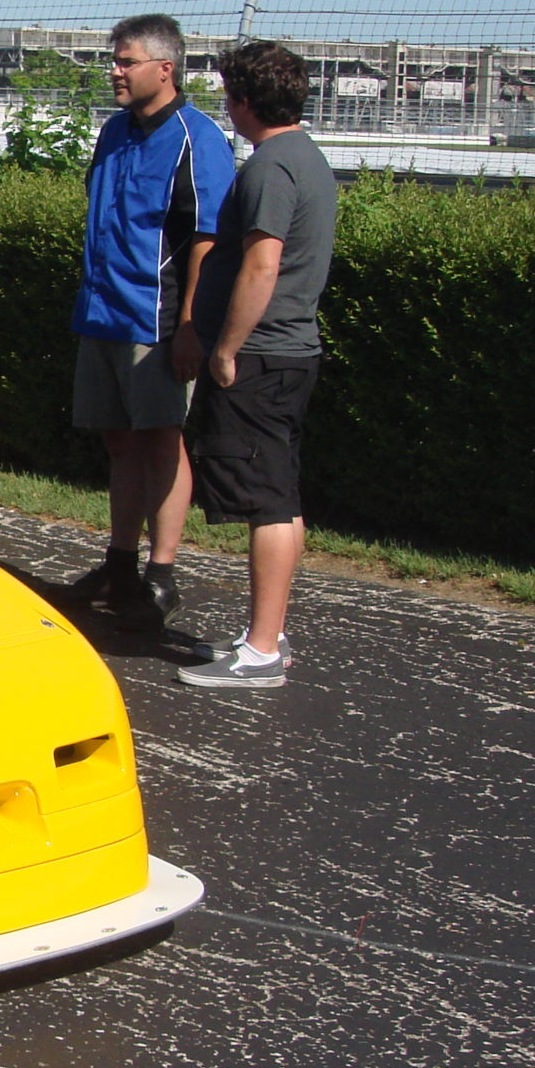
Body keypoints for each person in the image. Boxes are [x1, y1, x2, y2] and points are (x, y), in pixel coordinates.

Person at [65, 14, 236, 627]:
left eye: (125, 60)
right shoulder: (113, 132)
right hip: (102, 312)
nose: (114, 69)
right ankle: (119, 562)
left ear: (165, 69)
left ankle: (161, 575)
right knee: (119, 440)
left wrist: (190, 325)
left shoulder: (198, 138)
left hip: (156, 320)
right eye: (113, 59)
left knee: (162, 438)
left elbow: (208, 239)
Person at [178, 41, 337, 689]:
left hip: (264, 354)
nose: (226, 105)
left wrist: (224, 347)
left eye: (227, 94)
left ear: (243, 99)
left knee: (267, 502)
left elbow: (261, 262)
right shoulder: (308, 158)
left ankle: (262, 653)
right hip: (291, 351)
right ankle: (266, 634)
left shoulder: (272, 166)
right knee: (283, 495)